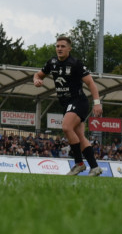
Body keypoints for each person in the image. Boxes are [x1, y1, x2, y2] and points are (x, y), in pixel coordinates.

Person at [33, 35, 103, 176]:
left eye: (63, 46)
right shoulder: (52, 62)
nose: (59, 48)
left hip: (78, 101)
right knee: (80, 136)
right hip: (66, 104)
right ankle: (95, 167)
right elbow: (38, 75)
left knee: (66, 127)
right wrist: (36, 80)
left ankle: (79, 164)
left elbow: (91, 83)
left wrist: (97, 103)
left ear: (69, 49)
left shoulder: (75, 63)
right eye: (57, 46)